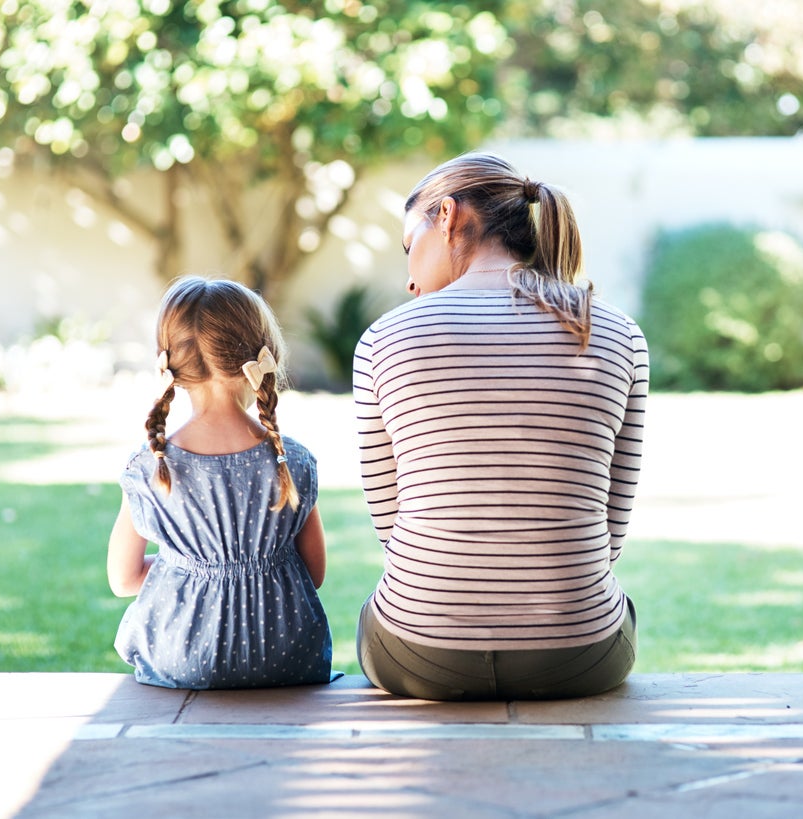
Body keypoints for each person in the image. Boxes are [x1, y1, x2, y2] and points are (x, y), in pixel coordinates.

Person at [352, 152, 648, 701]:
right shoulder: (616, 332)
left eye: (407, 246)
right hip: (579, 655)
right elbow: (611, 527)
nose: (409, 278)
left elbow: (391, 527)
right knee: (617, 606)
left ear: (446, 216)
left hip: (419, 654)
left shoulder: (384, 339)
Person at [107, 276, 334, 689]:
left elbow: (123, 580)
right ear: (263, 357)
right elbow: (314, 572)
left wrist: (190, 566)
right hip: (286, 657)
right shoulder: (293, 461)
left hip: (181, 658)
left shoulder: (150, 467)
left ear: (170, 366)